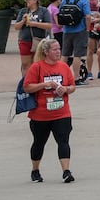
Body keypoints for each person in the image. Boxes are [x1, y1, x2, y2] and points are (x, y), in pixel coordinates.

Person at [22, 38, 76, 182]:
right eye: (55, 49)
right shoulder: (37, 67)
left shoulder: (64, 67)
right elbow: (27, 87)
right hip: (40, 114)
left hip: (62, 112)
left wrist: (65, 89)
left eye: (59, 49)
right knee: (39, 143)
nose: (58, 52)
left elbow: (72, 86)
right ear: (46, 52)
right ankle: (35, 170)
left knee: (63, 141)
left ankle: (66, 171)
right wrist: (45, 84)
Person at [16, 0, 47, 75]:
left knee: (37, 63)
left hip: (38, 40)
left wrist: (34, 24)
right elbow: (16, 27)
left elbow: (49, 25)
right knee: (25, 64)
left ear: (35, 0)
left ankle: (37, 80)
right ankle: (25, 82)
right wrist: (23, 21)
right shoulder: (23, 11)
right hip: (25, 40)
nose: (27, 1)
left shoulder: (43, 11)